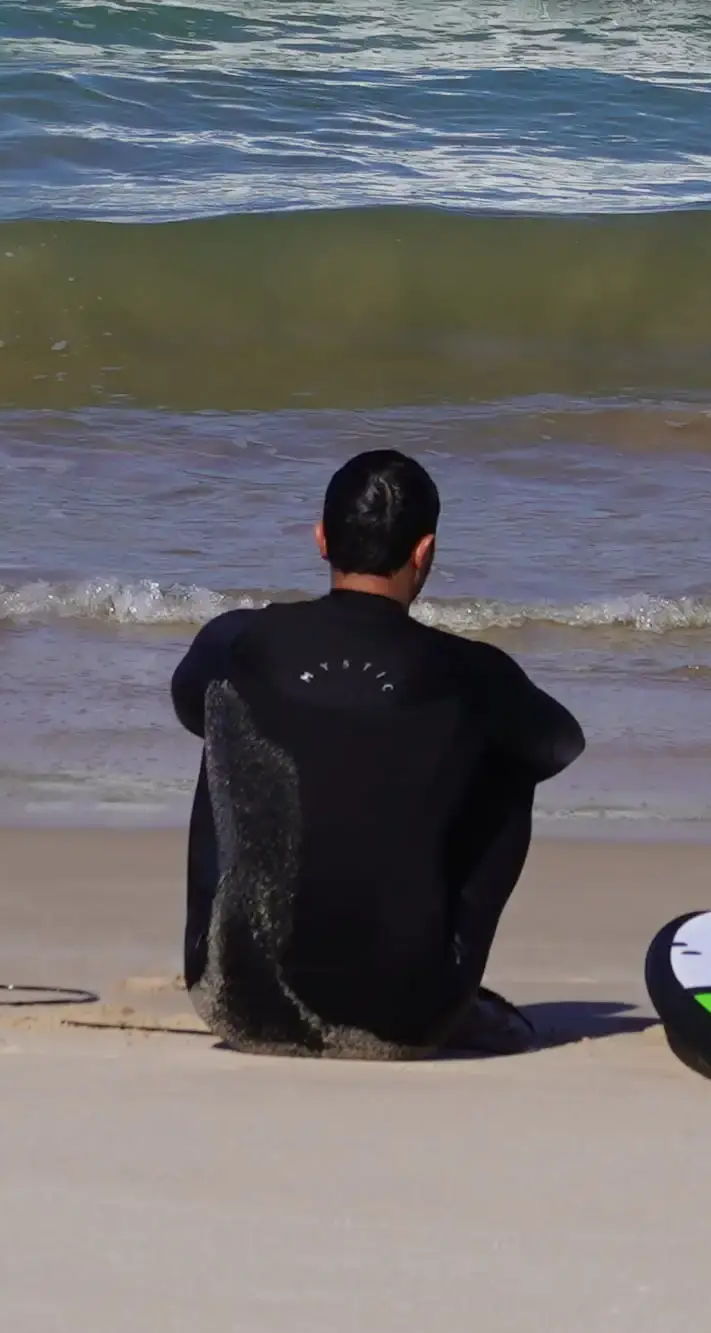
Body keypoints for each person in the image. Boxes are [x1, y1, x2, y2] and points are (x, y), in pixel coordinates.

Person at [166, 447, 587, 1054]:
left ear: (320, 539)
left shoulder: (236, 639)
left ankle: (247, 951)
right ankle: (445, 973)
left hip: (235, 1002)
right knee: (509, 754)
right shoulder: (473, 672)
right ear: (425, 552)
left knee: (230, 713)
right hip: (410, 1019)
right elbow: (559, 742)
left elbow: (188, 709)